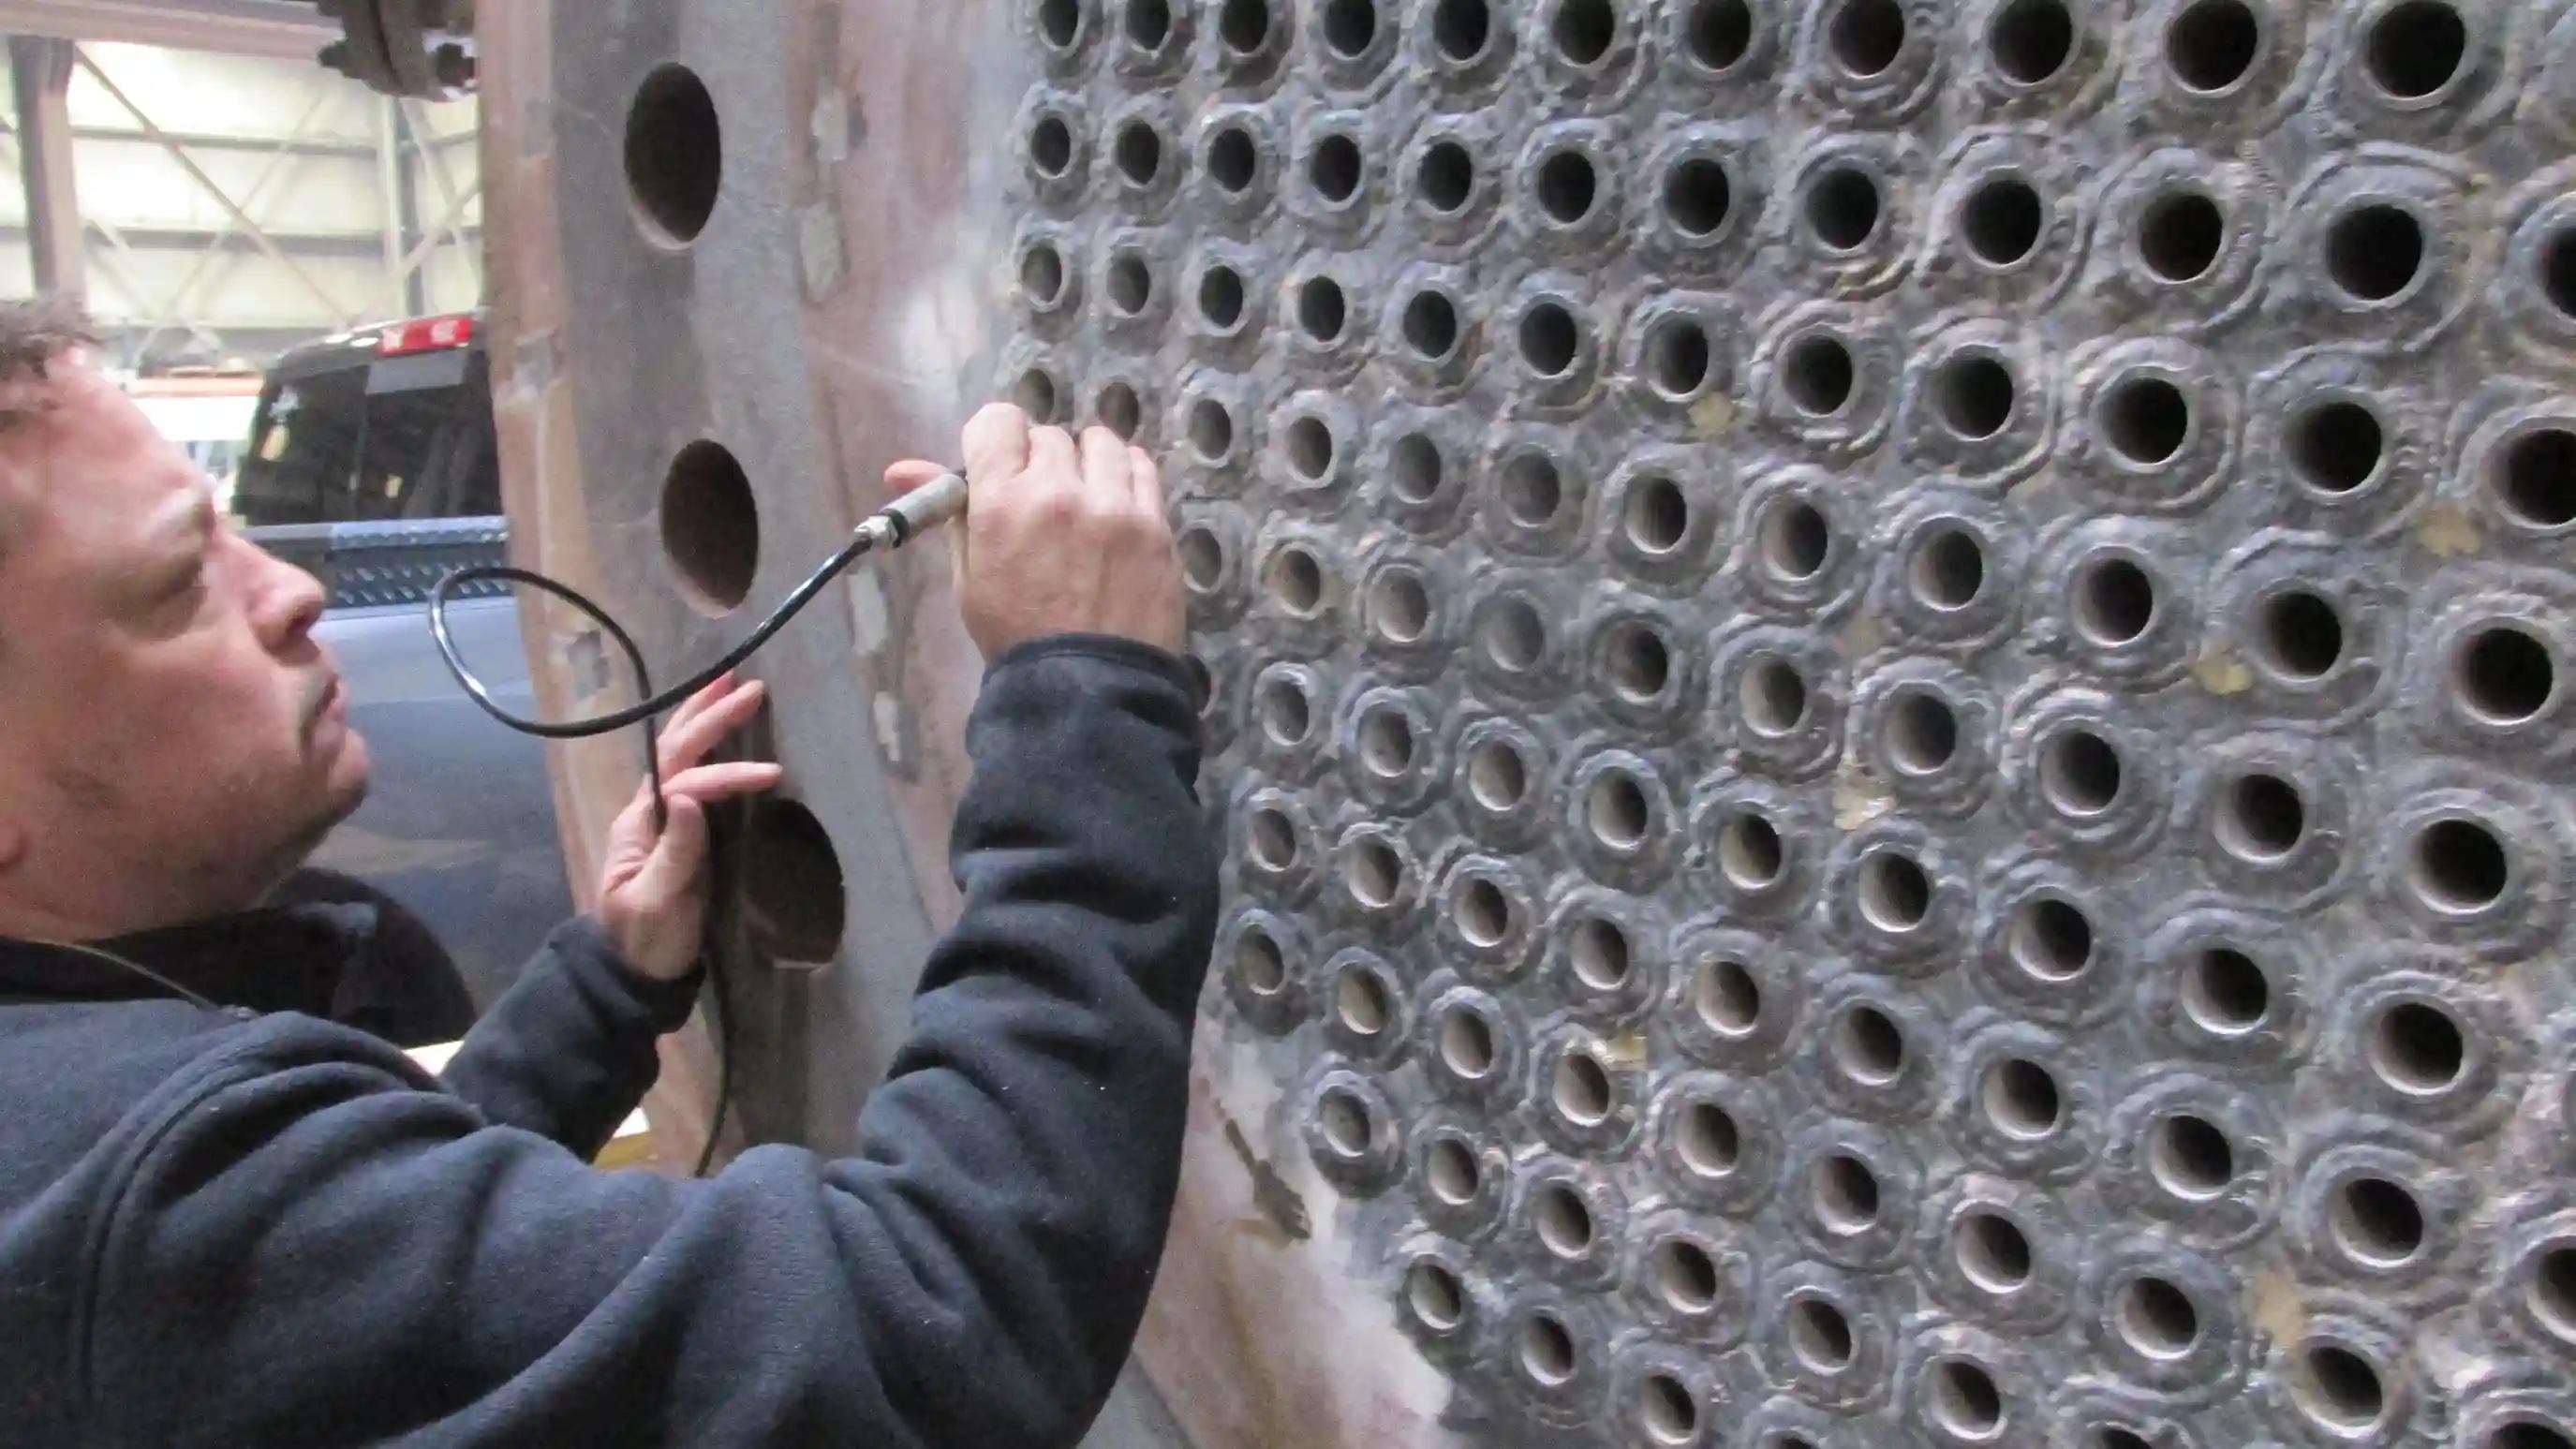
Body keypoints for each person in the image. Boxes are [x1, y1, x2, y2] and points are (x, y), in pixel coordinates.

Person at [0, 297, 1217, 1448]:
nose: (290, 590)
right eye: (175, 585)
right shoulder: (120, 1185)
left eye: (227, 526)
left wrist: (608, 978)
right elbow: (922, 1331)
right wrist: (1082, 695)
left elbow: (352, 1308)